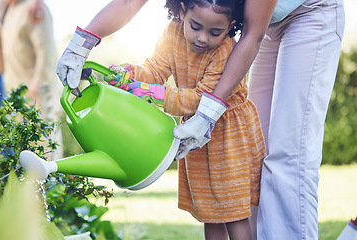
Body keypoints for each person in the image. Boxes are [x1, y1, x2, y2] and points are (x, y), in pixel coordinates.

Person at [56, 0, 345, 239]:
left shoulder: (224, 48)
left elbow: (205, 94)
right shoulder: (175, 33)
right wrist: (108, 61)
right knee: (209, 211)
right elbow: (154, 65)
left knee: (273, 171)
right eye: (195, 26)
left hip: (307, 14)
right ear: (182, 11)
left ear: (228, 28)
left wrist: (153, 93)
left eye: (213, 32)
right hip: (259, 34)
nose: (202, 38)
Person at [1, 0, 63, 160]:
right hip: (17, 100)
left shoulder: (33, 8)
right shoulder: (8, 11)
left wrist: (35, 94)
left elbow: (47, 57)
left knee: (45, 155)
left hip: (38, 100)